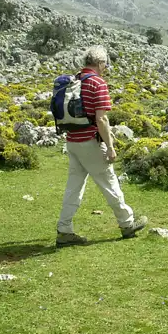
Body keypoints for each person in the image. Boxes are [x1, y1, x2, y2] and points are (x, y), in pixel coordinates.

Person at [56, 45, 147, 247]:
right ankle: (127, 224)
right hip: (90, 143)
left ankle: (64, 230)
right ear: (99, 63)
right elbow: (102, 120)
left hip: (72, 141)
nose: (106, 67)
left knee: (74, 187)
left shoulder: (74, 81)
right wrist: (111, 146)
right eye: (105, 63)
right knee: (109, 182)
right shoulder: (97, 83)